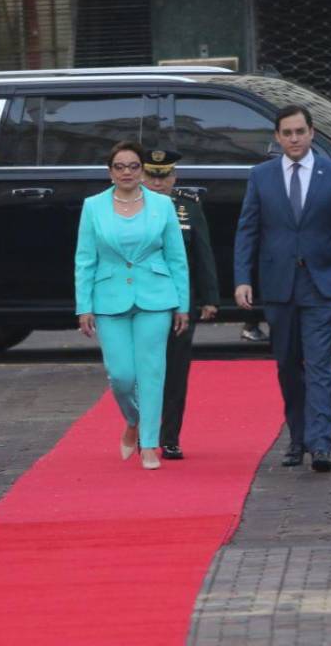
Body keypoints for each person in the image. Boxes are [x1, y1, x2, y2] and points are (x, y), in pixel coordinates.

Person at [233, 105, 331, 473]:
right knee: (288, 366)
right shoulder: (261, 176)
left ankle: (321, 442)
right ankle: (297, 438)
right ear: (277, 138)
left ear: (312, 133)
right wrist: (242, 278)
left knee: (319, 363)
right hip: (279, 285)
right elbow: (248, 230)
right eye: (287, 133)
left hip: (322, 283)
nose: (294, 139)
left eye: (300, 131)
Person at [75, 141, 190, 471]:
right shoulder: (93, 206)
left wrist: (182, 304)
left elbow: (176, 258)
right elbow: (84, 260)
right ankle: (133, 420)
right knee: (122, 375)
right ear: (110, 172)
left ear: (142, 171)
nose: (127, 172)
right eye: (120, 167)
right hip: (109, 298)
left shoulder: (161, 205)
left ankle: (150, 444)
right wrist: (83, 306)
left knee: (152, 371)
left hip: (156, 295)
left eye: (133, 166)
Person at [140, 148, 219, 460]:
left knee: (175, 370)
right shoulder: (129, 208)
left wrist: (210, 297)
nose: (158, 183)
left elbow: (203, 253)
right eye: (152, 176)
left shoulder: (187, 208)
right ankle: (145, 433)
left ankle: (170, 436)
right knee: (143, 371)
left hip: (178, 303)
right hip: (142, 301)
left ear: (174, 177)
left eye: (165, 176)